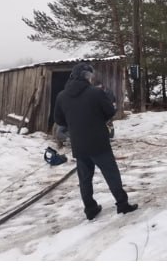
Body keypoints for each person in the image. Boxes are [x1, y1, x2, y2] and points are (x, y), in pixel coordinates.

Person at [54, 63, 138, 220]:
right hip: (99, 142)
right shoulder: (96, 93)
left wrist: (74, 123)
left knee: (85, 179)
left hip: (79, 145)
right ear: (87, 76)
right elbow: (110, 111)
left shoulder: (62, 96)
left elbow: (59, 120)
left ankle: (90, 209)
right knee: (111, 174)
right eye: (90, 76)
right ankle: (122, 204)